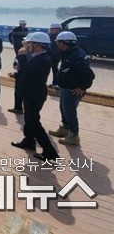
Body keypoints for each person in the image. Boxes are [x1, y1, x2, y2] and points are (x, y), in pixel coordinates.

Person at [10, 32, 59, 161]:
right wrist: (16, 75)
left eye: (30, 43)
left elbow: (29, 71)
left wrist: (21, 55)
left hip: (35, 94)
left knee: (34, 122)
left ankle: (50, 151)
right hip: (30, 92)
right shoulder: (37, 56)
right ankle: (29, 140)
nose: (28, 46)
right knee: (29, 118)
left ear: (37, 45)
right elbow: (28, 72)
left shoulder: (43, 59)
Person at [48, 31, 95, 146]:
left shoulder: (76, 56)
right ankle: (65, 128)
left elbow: (89, 74)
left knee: (70, 111)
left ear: (63, 43)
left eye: (58, 43)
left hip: (73, 89)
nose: (57, 45)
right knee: (63, 108)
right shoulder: (69, 53)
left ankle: (74, 135)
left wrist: (82, 87)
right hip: (66, 87)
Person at [48, 23, 63, 87]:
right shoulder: (51, 36)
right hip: (51, 55)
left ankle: (55, 82)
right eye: (51, 29)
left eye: (53, 29)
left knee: (55, 69)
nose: (51, 30)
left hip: (55, 56)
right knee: (53, 69)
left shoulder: (58, 37)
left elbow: (56, 48)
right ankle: (55, 82)